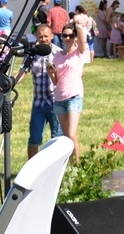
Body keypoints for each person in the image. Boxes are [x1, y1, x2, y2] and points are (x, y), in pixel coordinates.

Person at [15, 24, 63, 158]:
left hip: (55, 102)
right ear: (36, 36)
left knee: (57, 138)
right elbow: (22, 72)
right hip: (38, 104)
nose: (43, 39)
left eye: (46, 36)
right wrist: (11, 82)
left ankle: (56, 169)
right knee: (34, 139)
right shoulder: (32, 54)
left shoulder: (58, 53)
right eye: (40, 36)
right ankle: (31, 170)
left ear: (52, 36)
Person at [46, 21, 88, 160]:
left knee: (71, 134)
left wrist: (76, 25)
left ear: (75, 37)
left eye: (71, 35)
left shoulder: (79, 53)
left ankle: (77, 167)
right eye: (65, 36)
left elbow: (82, 37)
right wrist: (51, 72)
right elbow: (56, 81)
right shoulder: (57, 56)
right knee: (66, 138)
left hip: (74, 96)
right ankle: (70, 166)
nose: (68, 38)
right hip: (59, 98)